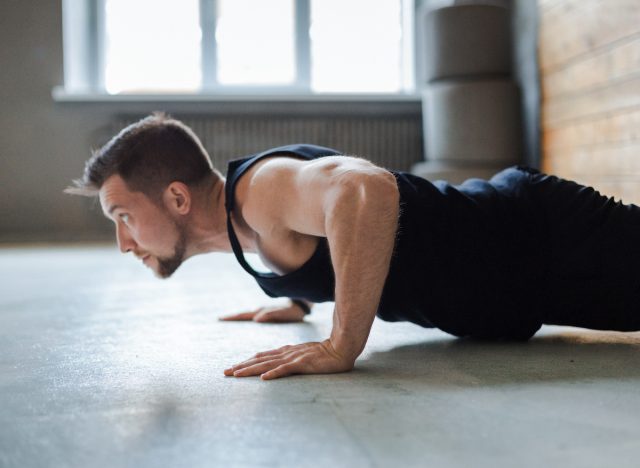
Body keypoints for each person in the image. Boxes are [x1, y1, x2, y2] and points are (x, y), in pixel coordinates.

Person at [66, 113, 640, 380]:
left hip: (539, 236)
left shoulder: (261, 192)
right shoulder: (243, 228)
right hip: (527, 290)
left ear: (176, 198)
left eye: (123, 216)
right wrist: (296, 299)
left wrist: (344, 344)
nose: (122, 242)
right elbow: (316, 237)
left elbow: (364, 190)